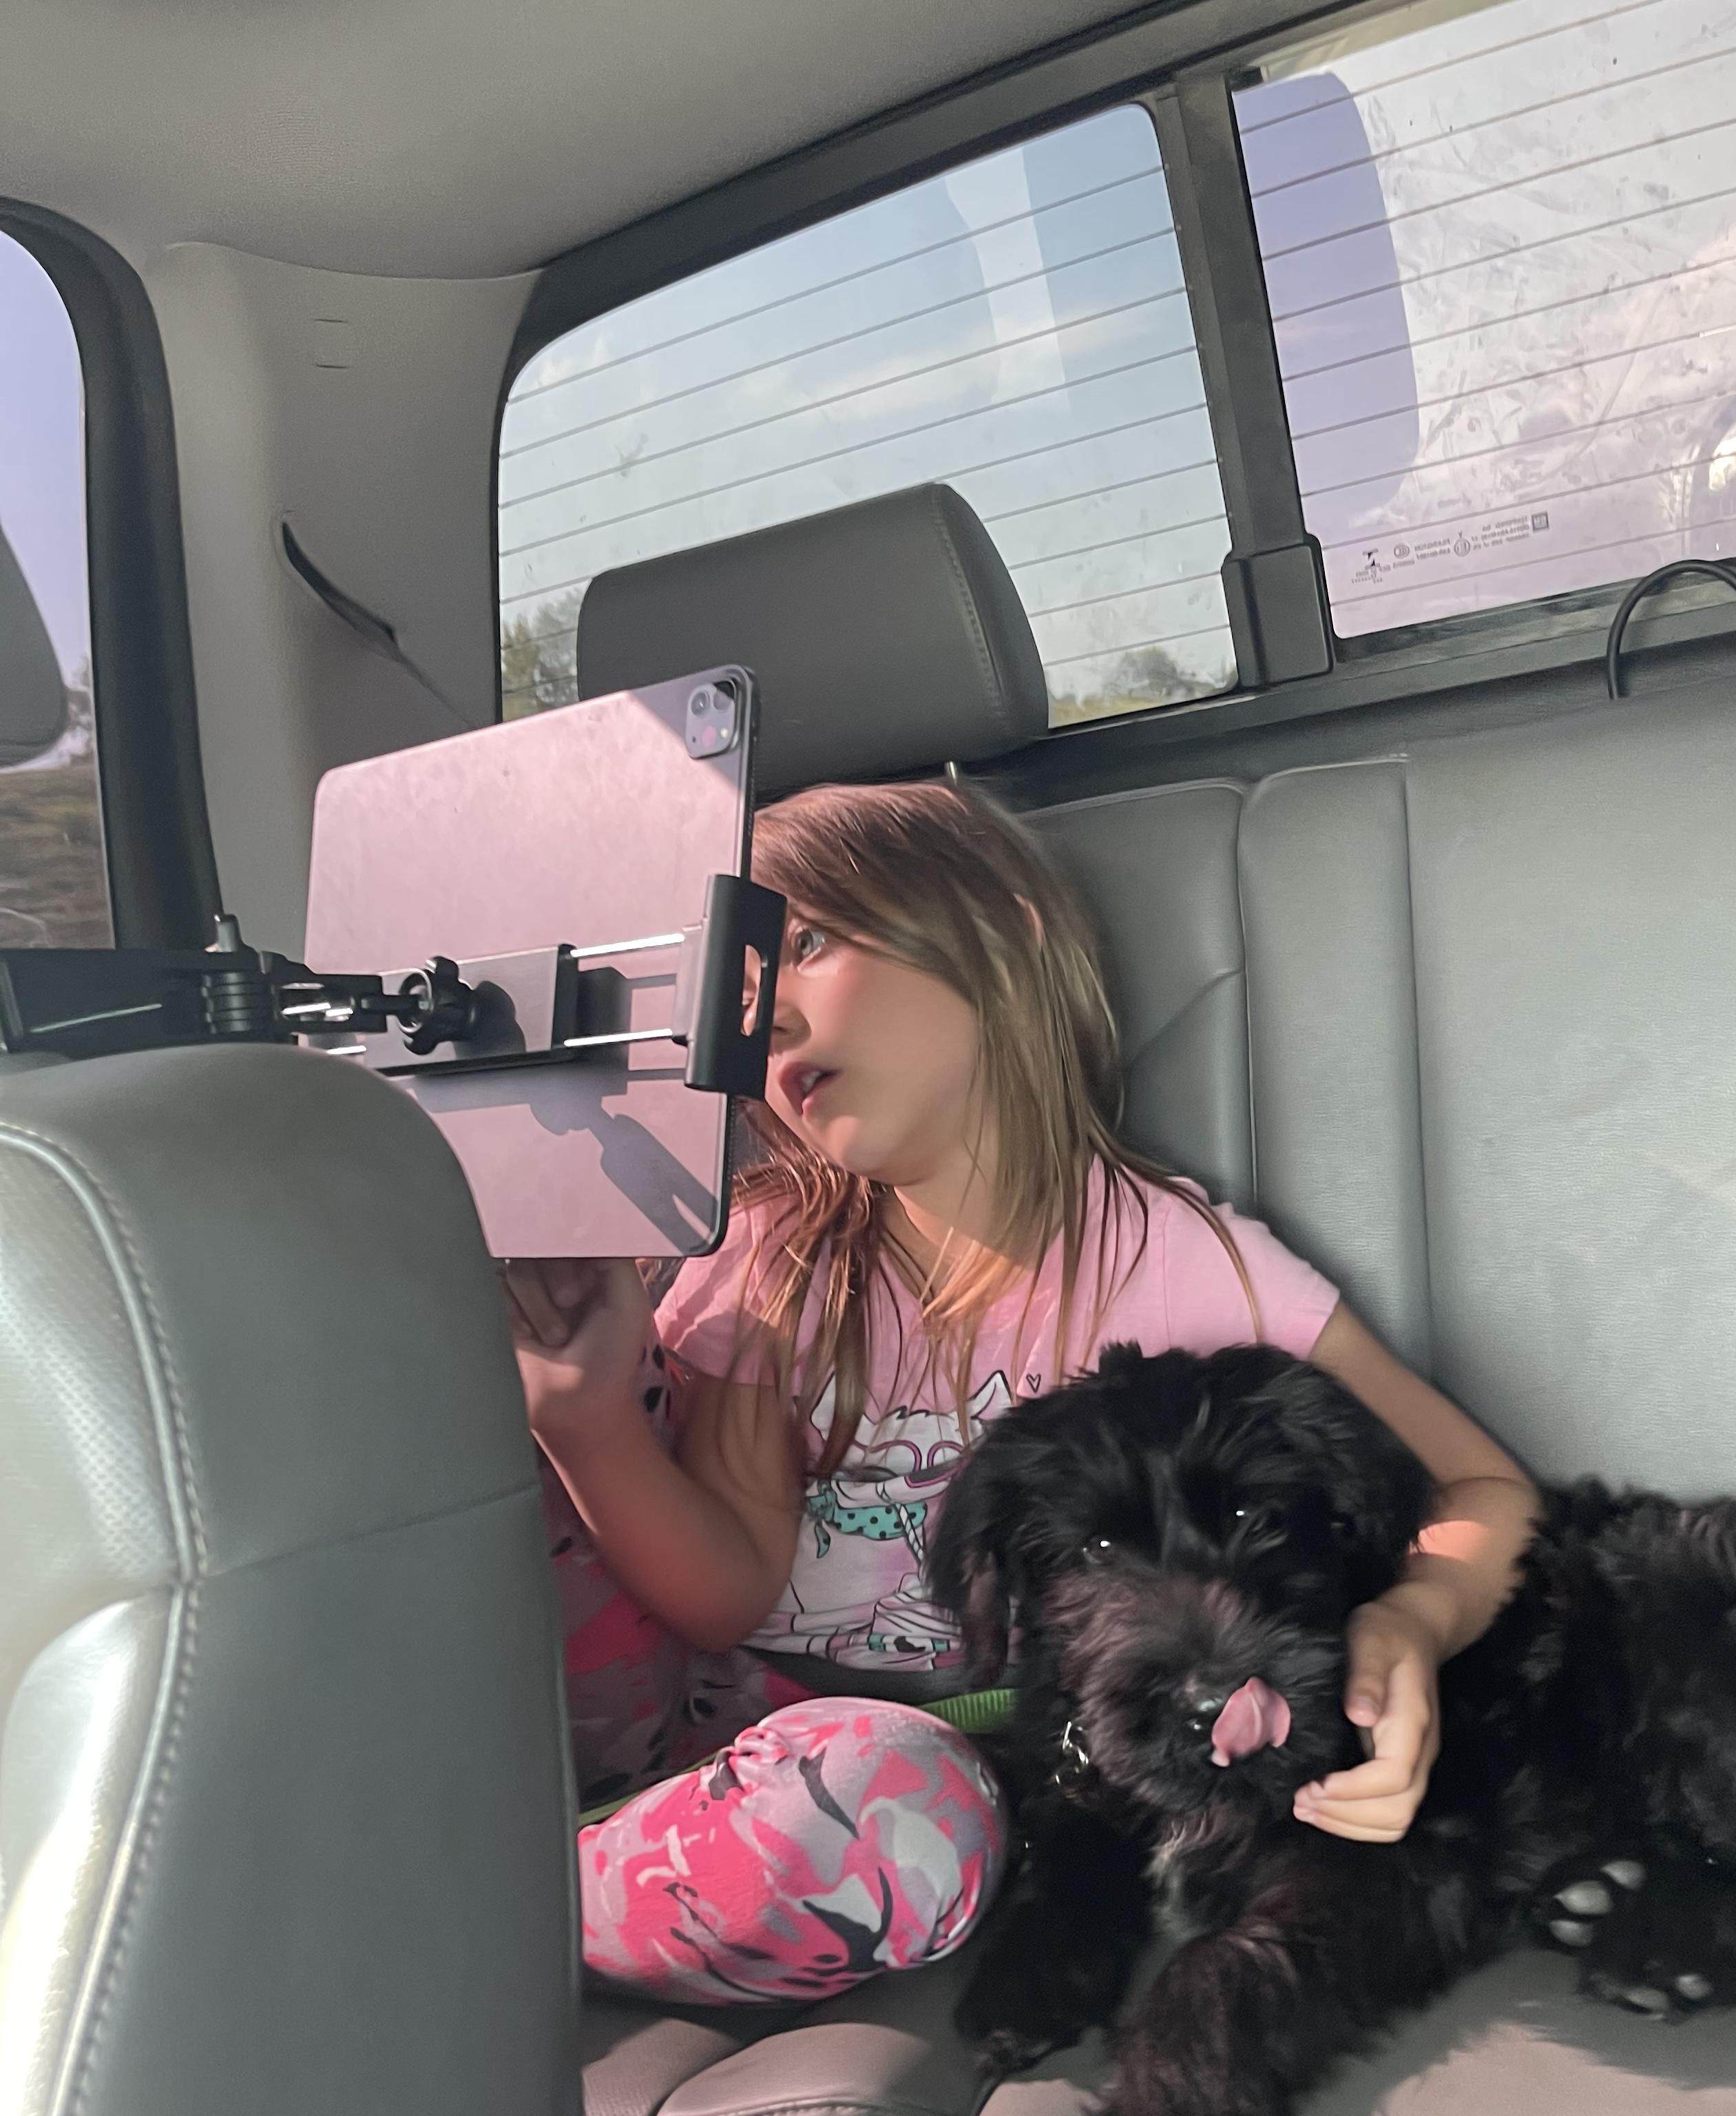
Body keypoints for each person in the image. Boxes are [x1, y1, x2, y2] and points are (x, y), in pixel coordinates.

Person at [505, 778, 1538, 2010]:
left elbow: (1483, 1488)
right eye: (733, 1006)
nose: (763, 1021)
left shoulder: (1186, 1269)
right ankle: (504, 1843)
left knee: (893, 1812)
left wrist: (1412, 1624)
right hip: (698, 1724)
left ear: (1005, 929)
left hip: (950, 1768)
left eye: (811, 943)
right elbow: (726, 1597)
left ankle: (499, 1914)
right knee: (508, 1381)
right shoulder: (773, 1253)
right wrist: (584, 1421)